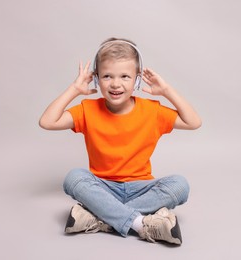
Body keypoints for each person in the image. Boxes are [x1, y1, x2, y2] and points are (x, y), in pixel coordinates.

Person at [39, 38, 202, 245]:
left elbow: (194, 122)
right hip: (103, 186)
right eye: (107, 76)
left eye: (125, 76)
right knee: (74, 178)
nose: (116, 84)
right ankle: (140, 223)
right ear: (97, 79)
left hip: (142, 187)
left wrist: (167, 90)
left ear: (137, 80)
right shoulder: (88, 110)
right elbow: (47, 121)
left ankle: (100, 218)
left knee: (180, 185)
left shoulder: (152, 111)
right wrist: (74, 89)